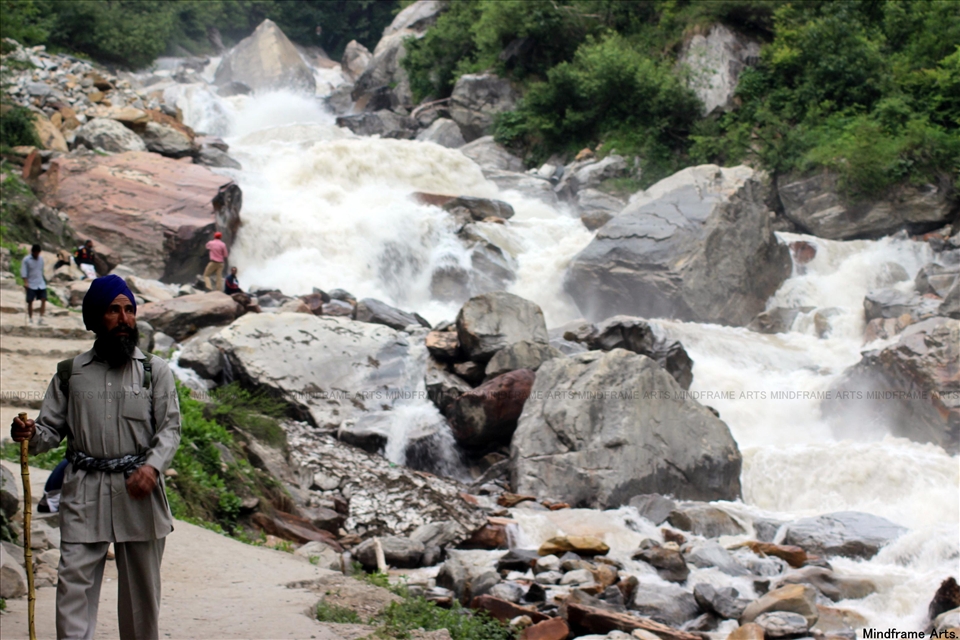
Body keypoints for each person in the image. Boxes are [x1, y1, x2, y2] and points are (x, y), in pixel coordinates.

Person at [10, 274, 181, 640]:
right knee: (73, 585)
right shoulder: (70, 374)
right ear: (95, 318)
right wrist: (30, 435)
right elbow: (50, 432)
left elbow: (169, 430)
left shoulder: (156, 372)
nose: (124, 319)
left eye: (130, 310)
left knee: (141, 596)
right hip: (84, 490)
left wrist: (152, 467)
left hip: (140, 492)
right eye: (113, 310)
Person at [21, 243, 47, 325]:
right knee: (30, 301)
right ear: (32, 252)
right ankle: (30, 318)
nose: (37, 254)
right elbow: (24, 272)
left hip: (40, 283)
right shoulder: (26, 260)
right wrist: (26, 282)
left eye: (38, 253)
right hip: (31, 283)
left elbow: (41, 270)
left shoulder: (41, 259)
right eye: (35, 252)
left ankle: (41, 318)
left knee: (43, 299)